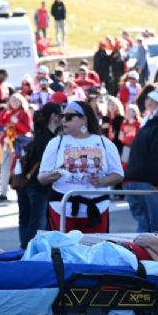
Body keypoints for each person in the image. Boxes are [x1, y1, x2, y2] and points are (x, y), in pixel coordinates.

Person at [38, 100, 123, 233]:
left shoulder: (104, 143)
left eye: (69, 117)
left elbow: (118, 174)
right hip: (62, 208)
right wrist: (50, 176)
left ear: (84, 119)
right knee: (66, 251)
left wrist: (103, 181)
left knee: (94, 250)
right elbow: (41, 178)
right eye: (62, 116)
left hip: (97, 208)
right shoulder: (55, 143)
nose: (64, 120)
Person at [124, 102, 158, 233]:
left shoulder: (145, 128)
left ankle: (138, 253)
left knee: (144, 224)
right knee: (157, 226)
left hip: (130, 180)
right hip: (149, 182)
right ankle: (154, 254)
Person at [16, 102, 60, 248]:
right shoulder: (46, 137)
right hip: (37, 186)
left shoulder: (42, 134)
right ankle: (28, 251)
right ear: (54, 116)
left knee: (28, 219)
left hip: (29, 184)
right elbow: (46, 162)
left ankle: (25, 249)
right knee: (37, 222)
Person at [0, 93, 32, 203]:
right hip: (9, 145)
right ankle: (3, 193)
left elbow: (27, 130)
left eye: (16, 100)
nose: (14, 102)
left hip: (20, 146)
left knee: (20, 170)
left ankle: (22, 194)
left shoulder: (25, 113)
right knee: (5, 168)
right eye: (12, 100)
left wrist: (17, 123)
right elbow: (0, 123)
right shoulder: (9, 113)